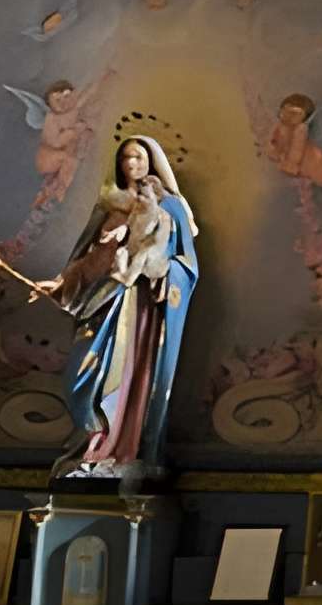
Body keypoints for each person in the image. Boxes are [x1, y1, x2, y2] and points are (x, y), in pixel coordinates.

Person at [25, 135, 200, 476]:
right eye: (125, 158)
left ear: (151, 162)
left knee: (130, 375)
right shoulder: (108, 206)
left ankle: (122, 450)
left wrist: (165, 272)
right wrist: (60, 285)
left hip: (143, 310)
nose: (131, 164)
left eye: (138, 157)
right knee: (82, 375)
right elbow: (85, 259)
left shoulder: (170, 206)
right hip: (102, 302)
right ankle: (91, 442)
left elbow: (188, 264)